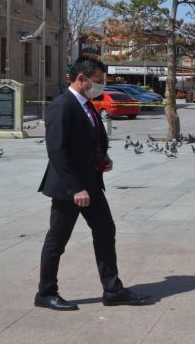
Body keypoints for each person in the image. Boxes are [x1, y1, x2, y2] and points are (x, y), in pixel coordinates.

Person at [35, 56, 151, 311]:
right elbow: (57, 152)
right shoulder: (62, 106)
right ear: (81, 79)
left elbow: (92, 139)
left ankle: (112, 290)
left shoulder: (87, 104)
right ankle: (45, 293)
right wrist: (75, 188)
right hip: (70, 188)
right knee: (57, 240)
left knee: (106, 231)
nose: (101, 86)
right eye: (97, 81)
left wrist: (103, 156)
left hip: (92, 184)